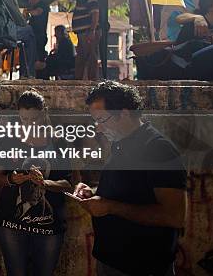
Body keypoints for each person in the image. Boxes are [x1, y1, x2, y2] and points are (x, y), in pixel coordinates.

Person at [74, 81, 187, 276]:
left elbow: (173, 216)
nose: (98, 129)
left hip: (142, 266)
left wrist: (109, 206)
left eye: (102, 119)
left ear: (124, 113)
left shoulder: (158, 149)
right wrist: (93, 193)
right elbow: (127, 192)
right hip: (112, 260)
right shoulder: (120, 144)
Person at [0, 90, 72, 276]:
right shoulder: (7, 139)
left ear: (44, 113)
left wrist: (44, 183)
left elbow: (68, 183)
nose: (29, 124)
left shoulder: (58, 141)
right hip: (11, 224)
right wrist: (12, 179)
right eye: (24, 119)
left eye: (34, 119)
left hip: (49, 226)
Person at [61, 0, 100, 80]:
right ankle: (79, 80)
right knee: (81, 57)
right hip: (82, 33)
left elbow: (95, 14)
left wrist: (92, 30)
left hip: (88, 32)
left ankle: (92, 80)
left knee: (90, 57)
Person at [25, 0, 50, 65]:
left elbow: (38, 12)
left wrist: (28, 12)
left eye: (29, 0)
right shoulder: (35, 7)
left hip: (39, 36)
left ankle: (39, 74)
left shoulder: (42, 5)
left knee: (38, 59)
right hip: (35, 36)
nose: (29, 2)